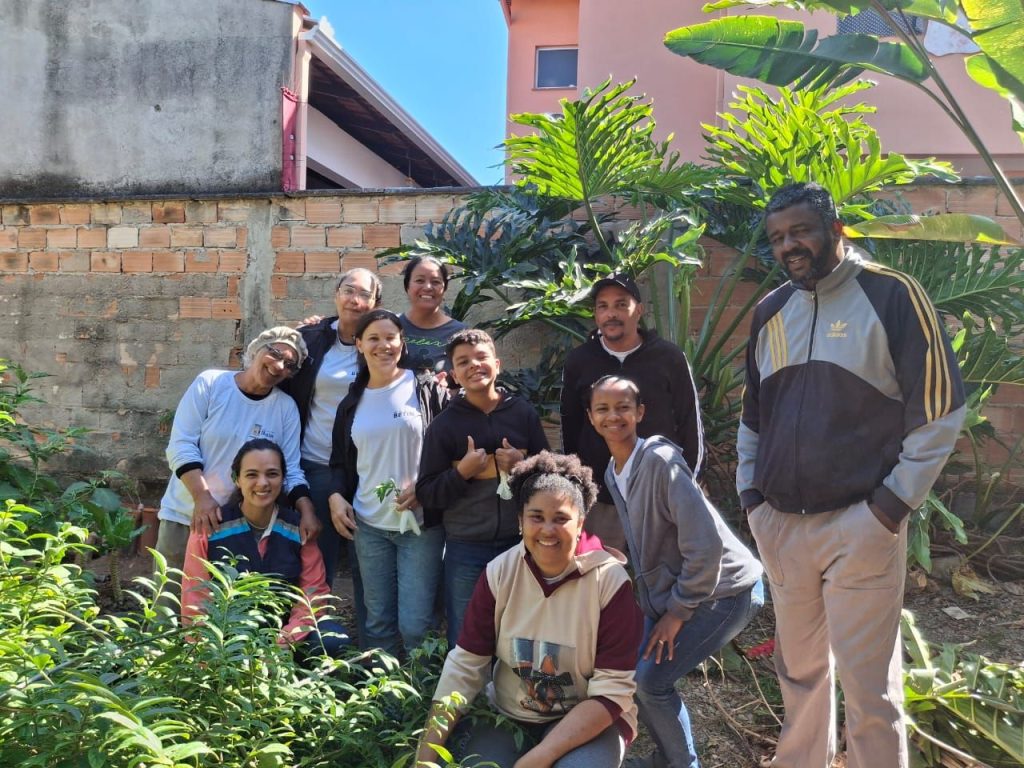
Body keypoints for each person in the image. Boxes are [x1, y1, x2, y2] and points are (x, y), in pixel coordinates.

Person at [738, 182, 966, 768]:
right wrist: (752, 499)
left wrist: (888, 510)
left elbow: (940, 411)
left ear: (835, 229)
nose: (789, 246)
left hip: (861, 525)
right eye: (777, 237)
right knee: (799, 676)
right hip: (783, 528)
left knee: (870, 691)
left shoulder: (892, 296)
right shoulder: (770, 312)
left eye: (801, 231)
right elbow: (753, 418)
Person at [415, 452, 643, 768]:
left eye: (561, 518)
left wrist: (538, 758)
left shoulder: (610, 583)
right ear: (520, 521)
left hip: (590, 719)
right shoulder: (499, 573)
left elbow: (611, 692)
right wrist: (425, 756)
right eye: (536, 517)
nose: (548, 529)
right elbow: (465, 666)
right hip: (511, 714)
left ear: (580, 523)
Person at [589, 375, 764, 768]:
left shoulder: (660, 462)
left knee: (652, 682)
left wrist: (677, 612)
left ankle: (684, 763)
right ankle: (667, 758)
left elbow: (706, 547)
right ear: (591, 417)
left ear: (640, 413)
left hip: (725, 590)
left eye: (623, 407)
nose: (613, 416)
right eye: (603, 408)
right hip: (680, 592)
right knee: (633, 674)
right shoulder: (614, 472)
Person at [416, 328, 549, 647]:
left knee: (519, 630)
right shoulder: (444, 426)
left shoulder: (522, 413)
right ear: (453, 375)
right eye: (463, 362)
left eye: (481, 357)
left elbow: (550, 478)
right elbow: (427, 492)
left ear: (497, 365)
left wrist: (521, 464)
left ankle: (512, 682)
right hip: (465, 546)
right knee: (466, 633)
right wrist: (462, 473)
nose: (474, 365)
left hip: (520, 544)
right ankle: (466, 683)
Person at [326, 309, 448, 655]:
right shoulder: (351, 402)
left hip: (420, 526)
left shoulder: (424, 388)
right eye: (374, 339)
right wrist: (335, 495)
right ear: (359, 345)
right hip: (369, 526)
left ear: (402, 342)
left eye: (391, 337)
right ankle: (382, 689)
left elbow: (449, 451)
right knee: (377, 622)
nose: (384, 345)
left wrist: (426, 488)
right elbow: (339, 462)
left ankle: (421, 688)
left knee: (416, 625)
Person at [156, 327, 318, 579]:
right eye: (275, 353)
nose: (279, 366)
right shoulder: (211, 384)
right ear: (257, 348)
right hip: (186, 514)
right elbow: (181, 444)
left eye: (289, 365)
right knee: (170, 594)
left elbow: (291, 470)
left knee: (229, 598)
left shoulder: (285, 408)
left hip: (240, 528)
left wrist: (307, 512)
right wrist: (202, 498)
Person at [560, 273, 703, 552]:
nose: (611, 314)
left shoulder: (668, 357)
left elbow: (690, 422)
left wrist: (688, 485)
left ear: (639, 310)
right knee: (602, 574)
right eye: (603, 306)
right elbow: (570, 429)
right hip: (600, 500)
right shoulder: (580, 361)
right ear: (595, 314)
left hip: (660, 495)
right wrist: (578, 488)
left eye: (621, 304)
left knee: (663, 573)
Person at [278, 267, 381, 642]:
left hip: (367, 470)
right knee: (315, 560)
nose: (355, 299)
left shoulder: (382, 340)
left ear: (375, 303)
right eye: (348, 290)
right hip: (317, 465)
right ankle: (307, 640)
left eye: (364, 294)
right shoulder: (312, 338)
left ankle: (371, 648)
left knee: (369, 565)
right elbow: (279, 370)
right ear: (336, 294)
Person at [181, 439, 351, 657]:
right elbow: (195, 597)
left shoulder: (298, 528)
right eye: (251, 475)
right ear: (237, 479)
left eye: (272, 474)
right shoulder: (210, 528)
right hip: (226, 640)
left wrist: (284, 641)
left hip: (286, 639)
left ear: (283, 479)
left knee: (333, 639)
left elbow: (313, 595)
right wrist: (209, 653)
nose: (262, 483)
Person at [399, 256, 467, 377]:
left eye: (435, 282)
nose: (428, 287)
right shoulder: (392, 326)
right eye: (420, 280)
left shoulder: (460, 333)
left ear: (444, 288)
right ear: (407, 286)